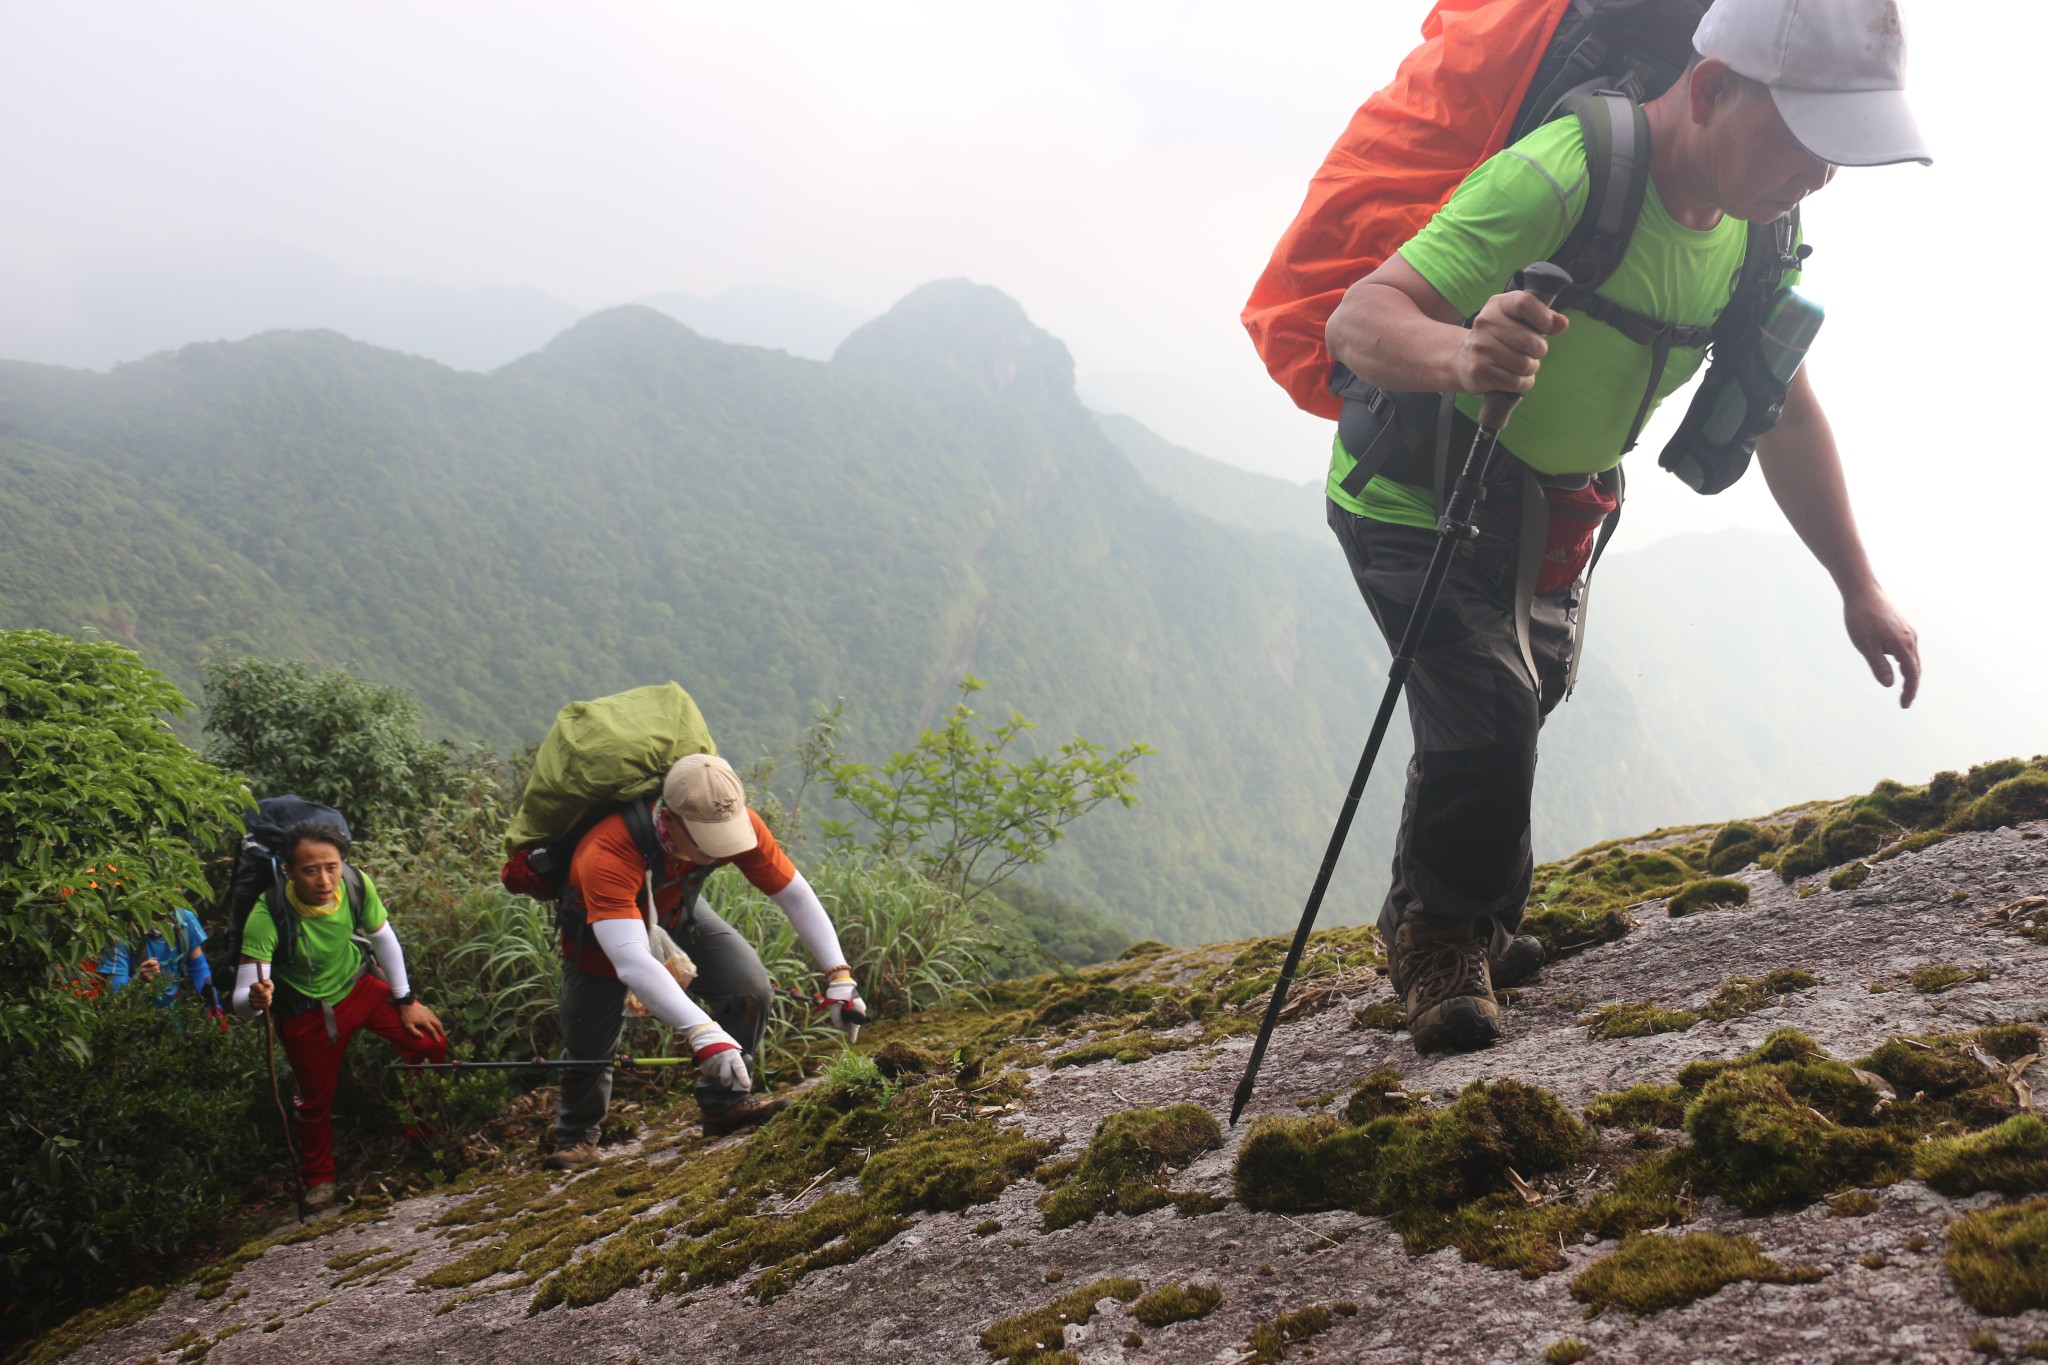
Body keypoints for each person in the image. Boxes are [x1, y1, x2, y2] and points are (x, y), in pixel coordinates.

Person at [1321, 0, 1926, 1050]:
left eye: (1839, 155)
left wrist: (1855, 584)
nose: (1820, 176)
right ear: (1708, 90)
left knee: (1527, 692)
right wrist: (1460, 357)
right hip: (1418, 492)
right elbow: (1361, 317)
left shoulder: (1756, 231)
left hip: (1555, 506)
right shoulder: (1564, 173)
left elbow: (1778, 407)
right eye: (1804, 144)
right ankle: (1436, 936)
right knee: (1490, 711)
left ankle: (1455, 904)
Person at [546, 753, 867, 1168]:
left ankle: (724, 1106)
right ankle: (576, 1138)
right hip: (601, 937)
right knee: (591, 1042)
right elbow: (631, 961)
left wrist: (839, 976)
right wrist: (701, 1031)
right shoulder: (608, 850)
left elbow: (794, 894)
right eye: (705, 841)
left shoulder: (738, 823)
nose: (718, 852)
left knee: (749, 988)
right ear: (671, 818)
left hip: (678, 915)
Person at [232, 819, 447, 1207]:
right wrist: (256, 999)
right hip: (306, 1010)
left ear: (342, 862)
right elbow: (242, 1004)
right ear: (290, 871)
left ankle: (425, 1136)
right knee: (314, 1099)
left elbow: (382, 936)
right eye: (310, 870)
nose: (324, 880)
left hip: (358, 986)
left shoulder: (354, 884)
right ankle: (320, 1179)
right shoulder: (269, 913)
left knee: (429, 1040)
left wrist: (405, 1000)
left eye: (331, 867)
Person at [98, 905, 217, 1014]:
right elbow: (115, 998)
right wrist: (138, 981)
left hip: (172, 1011)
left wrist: (214, 1008)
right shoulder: (120, 930)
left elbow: (199, 968)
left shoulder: (184, 920)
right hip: (134, 1018)